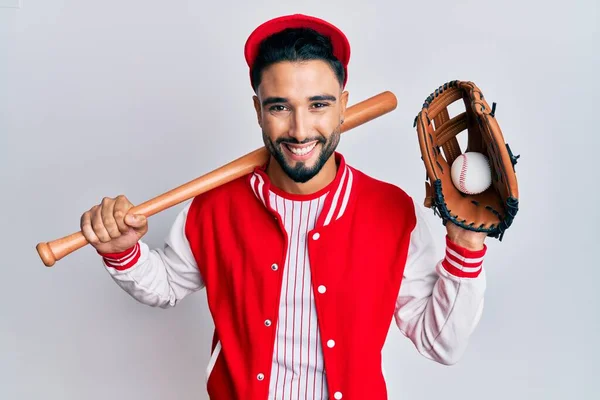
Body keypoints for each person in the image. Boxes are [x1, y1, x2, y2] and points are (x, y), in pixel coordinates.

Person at [80, 14, 488, 400]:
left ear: (344, 106)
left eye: (318, 105)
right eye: (279, 106)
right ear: (258, 110)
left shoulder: (391, 211)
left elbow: (440, 345)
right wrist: (123, 253)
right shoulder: (215, 206)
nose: (299, 129)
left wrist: (467, 245)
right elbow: (165, 285)